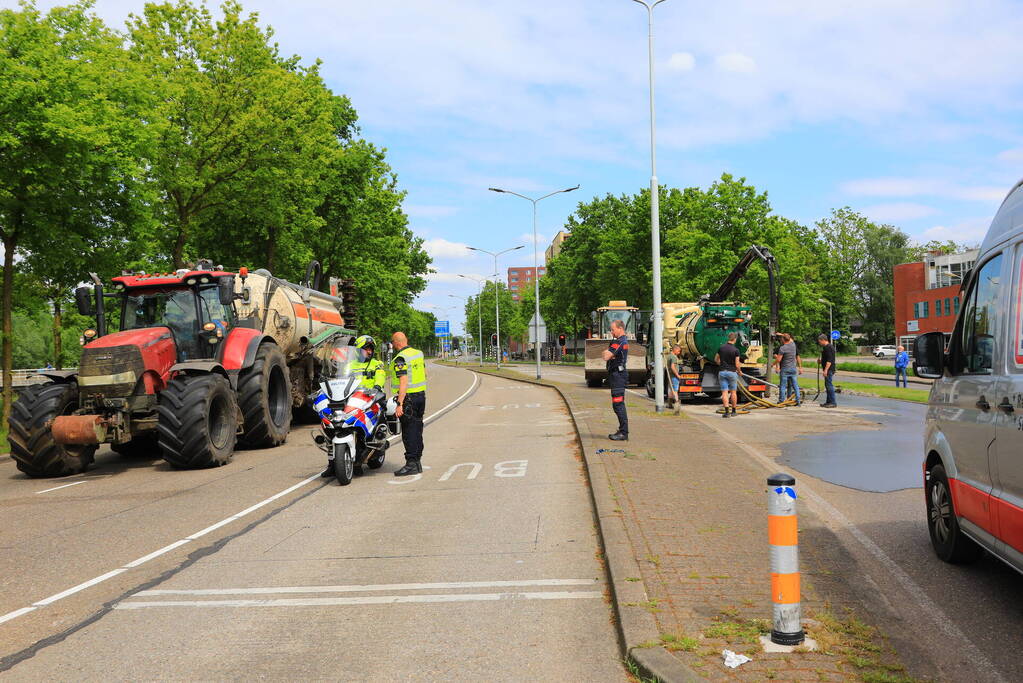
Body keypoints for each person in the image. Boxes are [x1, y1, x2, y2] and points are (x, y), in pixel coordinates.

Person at [390, 331, 427, 476]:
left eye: (393, 343)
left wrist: (399, 403)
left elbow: (403, 382)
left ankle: (411, 464)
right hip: (421, 397)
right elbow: (424, 373)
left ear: (397, 343)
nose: (393, 345)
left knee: (409, 431)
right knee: (417, 429)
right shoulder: (418, 353)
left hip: (408, 400)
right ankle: (417, 462)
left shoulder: (400, 358)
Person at [602, 319, 629, 440]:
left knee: (618, 404)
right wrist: (609, 354)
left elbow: (606, 356)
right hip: (618, 375)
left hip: (618, 376)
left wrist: (607, 352)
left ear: (620, 328)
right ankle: (622, 430)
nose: (611, 332)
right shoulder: (622, 341)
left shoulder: (619, 342)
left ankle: (623, 433)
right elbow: (609, 356)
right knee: (618, 404)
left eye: (613, 329)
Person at [715, 332, 746, 418]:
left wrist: (720, 364)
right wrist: (739, 371)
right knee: (733, 392)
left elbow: (716, 359)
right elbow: (737, 364)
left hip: (722, 372)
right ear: (735, 339)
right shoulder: (736, 350)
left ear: (728, 338)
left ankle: (726, 413)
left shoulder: (721, 348)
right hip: (732, 373)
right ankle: (733, 411)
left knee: (724, 392)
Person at [773, 333, 802, 406]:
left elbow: (779, 359)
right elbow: (790, 339)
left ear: (783, 339)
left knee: (783, 386)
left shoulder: (782, 348)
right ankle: (798, 401)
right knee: (795, 386)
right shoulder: (793, 345)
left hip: (785, 369)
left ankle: (781, 401)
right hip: (793, 369)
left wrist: (772, 364)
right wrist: (782, 334)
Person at [817, 334, 837, 407]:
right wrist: (821, 361)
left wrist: (825, 370)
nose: (819, 343)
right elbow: (826, 359)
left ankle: (833, 402)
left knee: (829, 385)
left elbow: (829, 360)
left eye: (819, 341)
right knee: (827, 385)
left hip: (829, 369)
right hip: (828, 369)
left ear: (823, 340)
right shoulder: (826, 347)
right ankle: (828, 402)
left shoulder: (829, 348)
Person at [667, 344, 683, 414]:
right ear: (675, 349)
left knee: (671, 390)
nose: (679, 353)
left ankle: (669, 404)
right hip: (674, 376)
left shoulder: (670, 356)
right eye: (679, 351)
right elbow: (672, 367)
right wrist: (678, 375)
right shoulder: (673, 357)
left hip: (671, 376)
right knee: (675, 391)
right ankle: (677, 407)